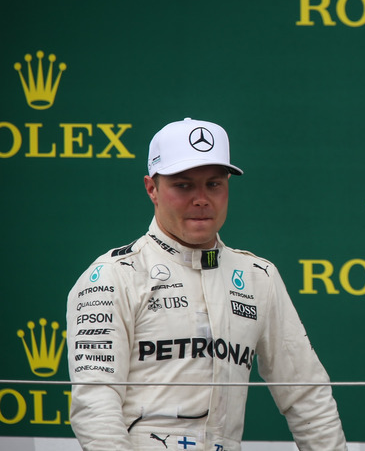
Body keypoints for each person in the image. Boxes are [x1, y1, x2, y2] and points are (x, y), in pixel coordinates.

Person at [67, 118, 347, 450]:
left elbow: (306, 394)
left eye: (213, 184)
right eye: (183, 185)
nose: (201, 199)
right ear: (151, 188)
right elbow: (96, 404)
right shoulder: (114, 275)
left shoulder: (259, 276)